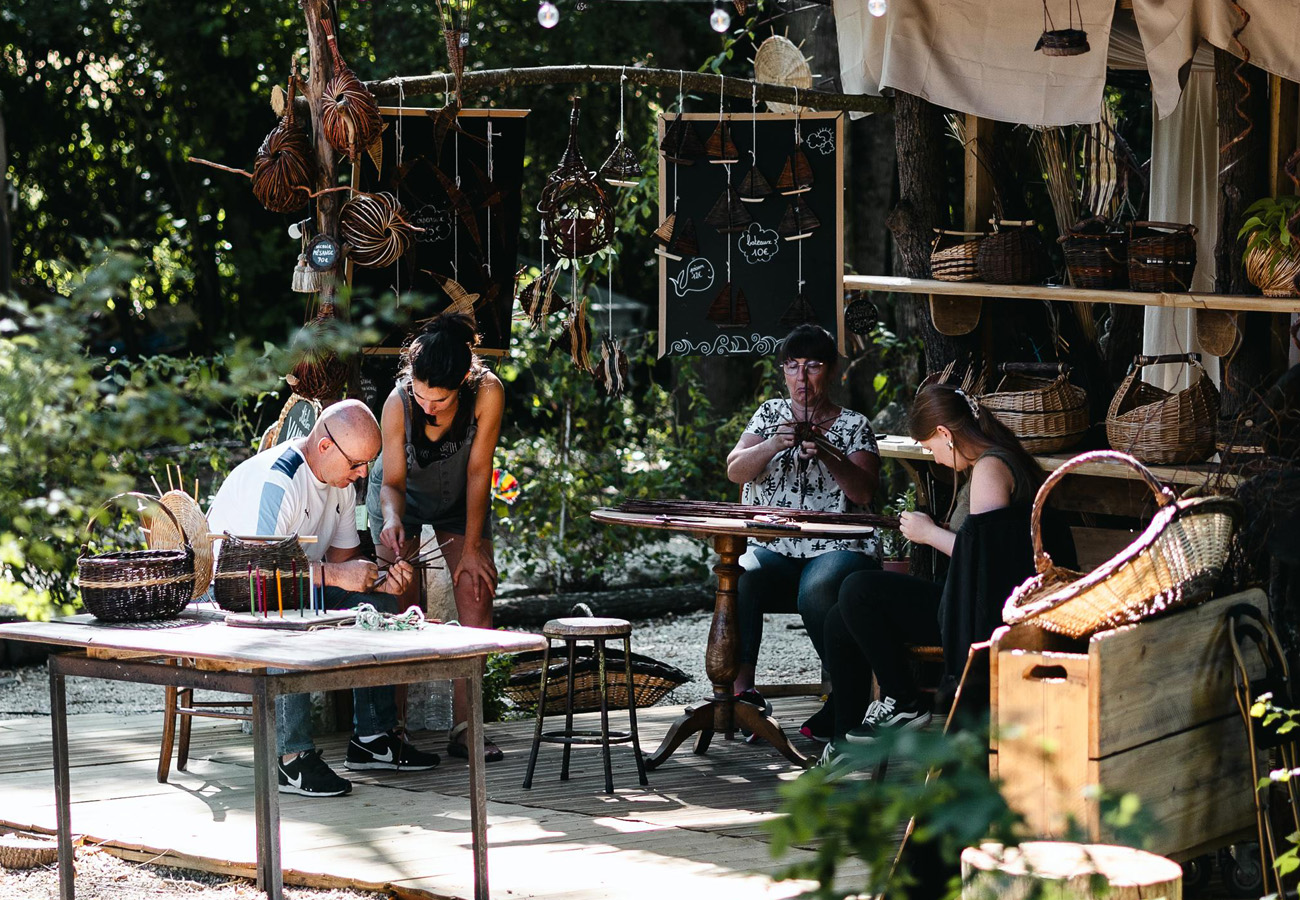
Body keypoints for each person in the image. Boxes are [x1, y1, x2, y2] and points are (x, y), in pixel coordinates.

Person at [207, 399, 441, 798]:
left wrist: (380, 582)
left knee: (377, 609)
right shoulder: (279, 483)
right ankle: (291, 759)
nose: (363, 473)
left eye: (368, 463)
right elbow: (259, 578)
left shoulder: (340, 483)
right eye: (356, 464)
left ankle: (372, 738)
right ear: (325, 447)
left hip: (295, 585)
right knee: (286, 619)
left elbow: (343, 562)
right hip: (238, 592)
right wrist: (336, 575)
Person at [821, 383, 1064, 753]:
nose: (933, 458)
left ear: (945, 434)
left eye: (930, 447)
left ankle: (905, 701)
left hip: (984, 612)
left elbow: (986, 563)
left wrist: (929, 533)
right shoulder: (994, 461)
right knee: (839, 617)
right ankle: (844, 743)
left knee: (858, 589)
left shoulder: (990, 470)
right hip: (971, 597)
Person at [725, 323, 881, 743]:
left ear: (830, 372)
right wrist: (771, 445)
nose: (801, 377)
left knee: (818, 586)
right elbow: (735, 469)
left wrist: (830, 453)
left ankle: (844, 697)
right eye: (792, 366)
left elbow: (864, 491)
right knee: (738, 571)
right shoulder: (770, 415)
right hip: (774, 545)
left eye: (812, 366)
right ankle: (744, 697)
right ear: (783, 372)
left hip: (838, 545)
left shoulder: (853, 425)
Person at [366, 313, 506, 762]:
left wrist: (471, 551)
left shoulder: (488, 392)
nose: (428, 406)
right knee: (402, 605)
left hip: (461, 497)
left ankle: (467, 728)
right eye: (421, 396)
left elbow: (480, 471)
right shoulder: (396, 402)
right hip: (399, 499)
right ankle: (395, 731)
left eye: (439, 400)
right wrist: (391, 522)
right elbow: (392, 484)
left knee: (477, 591)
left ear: (463, 379)